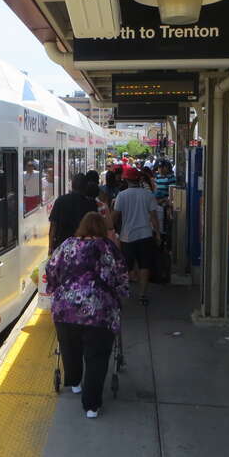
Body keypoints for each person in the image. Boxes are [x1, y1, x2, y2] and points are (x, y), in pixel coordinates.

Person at [45, 212, 130, 418]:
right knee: (96, 357)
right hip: (99, 312)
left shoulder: (67, 244)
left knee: (70, 347)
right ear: (102, 228)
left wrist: (56, 288)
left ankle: (74, 383)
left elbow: (51, 268)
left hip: (65, 309)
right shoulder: (107, 247)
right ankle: (91, 407)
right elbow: (120, 276)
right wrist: (121, 295)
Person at [112, 168, 160, 305]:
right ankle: (142, 294)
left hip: (127, 236)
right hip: (145, 235)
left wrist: (109, 229)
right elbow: (154, 217)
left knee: (125, 266)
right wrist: (157, 234)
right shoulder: (148, 195)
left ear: (126, 180)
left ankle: (123, 293)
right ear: (139, 179)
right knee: (145, 265)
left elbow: (115, 217)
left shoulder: (122, 195)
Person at [48, 173, 97, 254]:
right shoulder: (91, 204)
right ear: (85, 187)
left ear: (72, 186)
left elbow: (53, 227)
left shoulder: (60, 201)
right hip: (84, 249)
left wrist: (50, 248)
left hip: (62, 248)